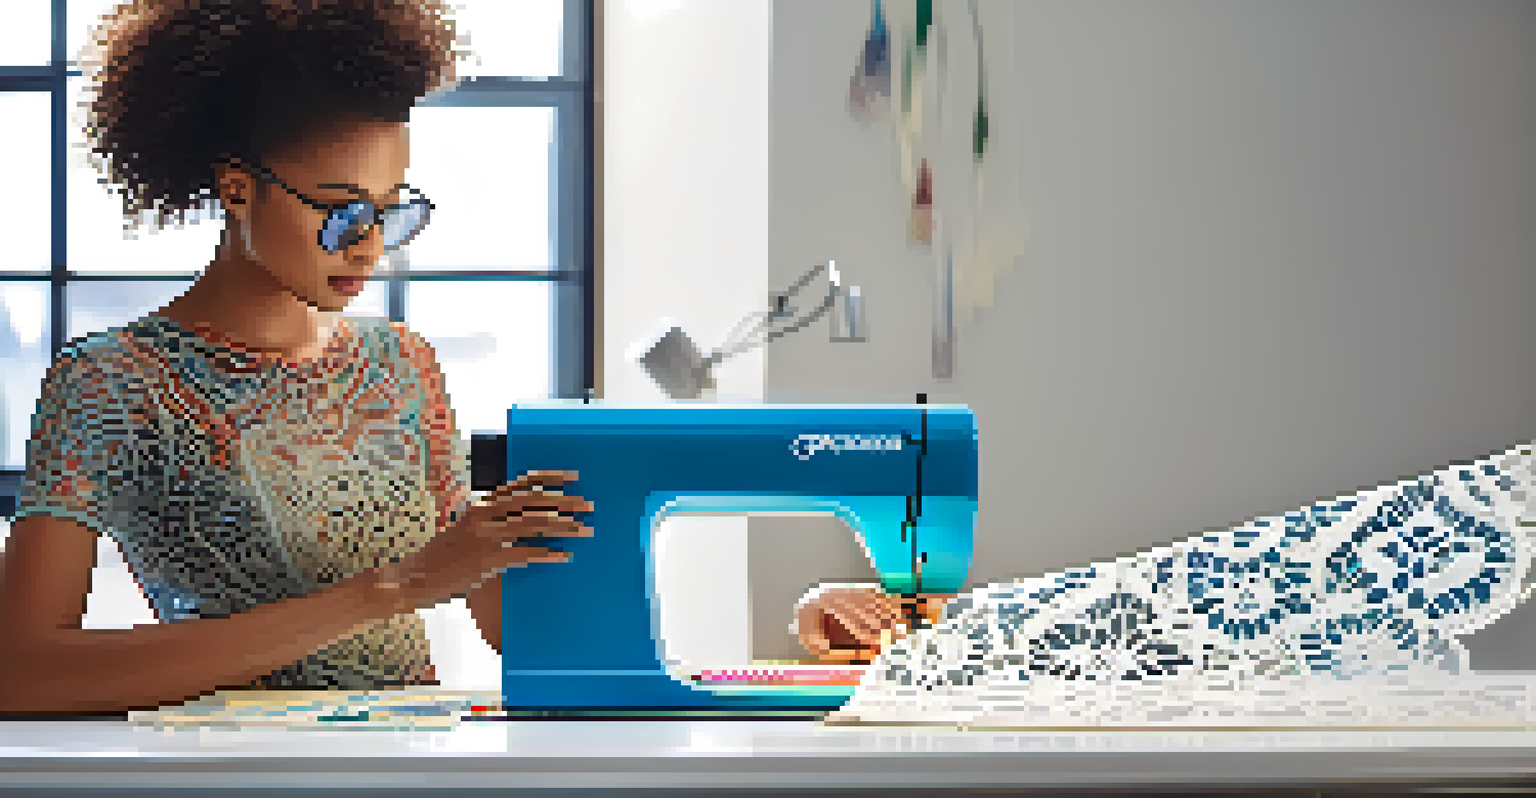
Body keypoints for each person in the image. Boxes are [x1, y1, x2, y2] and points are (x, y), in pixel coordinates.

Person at [0, 0, 592, 716]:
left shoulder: (401, 364)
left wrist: (561, 543)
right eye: (343, 214)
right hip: (241, 764)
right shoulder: (112, 383)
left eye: (390, 211)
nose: (370, 247)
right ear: (237, 189)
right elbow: (21, 672)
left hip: (421, 757)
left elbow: (516, 630)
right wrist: (396, 588)